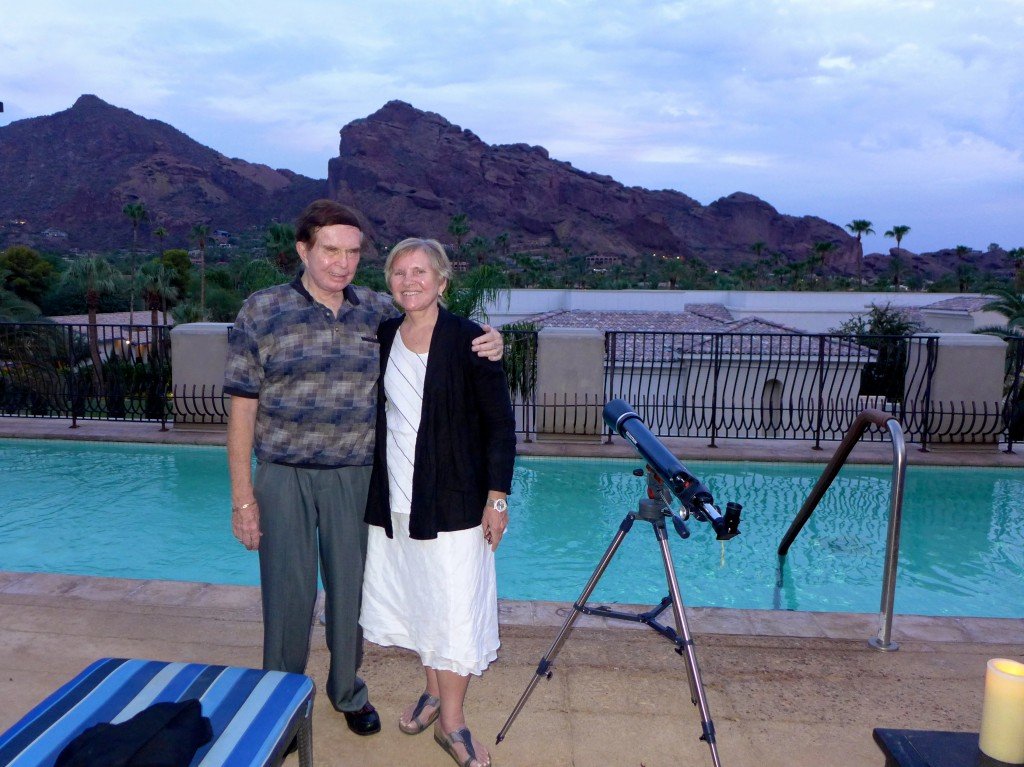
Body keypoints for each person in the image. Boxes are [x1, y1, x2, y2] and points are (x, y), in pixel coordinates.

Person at [224, 201, 504, 739]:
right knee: (287, 595)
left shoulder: (379, 313)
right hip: (283, 475)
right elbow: (242, 410)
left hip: (357, 476)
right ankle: (282, 705)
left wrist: (491, 341)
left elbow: (438, 330)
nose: (341, 263)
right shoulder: (262, 311)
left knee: (351, 591)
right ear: (303, 249)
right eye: (330, 250)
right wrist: (243, 498)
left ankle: (347, 691)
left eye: (352, 252)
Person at [361, 238, 516, 767]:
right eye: (399, 272)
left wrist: (496, 499)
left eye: (420, 272)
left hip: (454, 501)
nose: (409, 281)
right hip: (398, 500)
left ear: (442, 281)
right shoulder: (385, 335)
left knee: (453, 610)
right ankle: (431, 692)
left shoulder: (471, 341)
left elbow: (500, 426)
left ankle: (453, 723)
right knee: (420, 600)